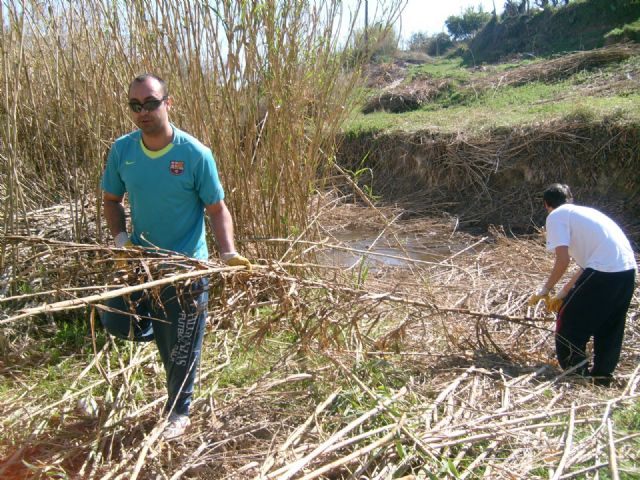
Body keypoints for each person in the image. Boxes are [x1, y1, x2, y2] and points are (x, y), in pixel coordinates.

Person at [100, 73, 251, 439]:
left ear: (168, 103)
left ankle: (178, 412)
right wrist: (121, 240)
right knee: (116, 319)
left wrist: (228, 252)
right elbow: (111, 201)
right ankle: (165, 332)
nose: (143, 112)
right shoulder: (123, 151)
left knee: (180, 349)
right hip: (142, 264)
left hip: (186, 268)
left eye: (150, 103)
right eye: (135, 106)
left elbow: (216, 208)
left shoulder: (195, 154)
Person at [529, 183, 636, 386]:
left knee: (568, 322)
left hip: (603, 273)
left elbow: (563, 261)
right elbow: (585, 266)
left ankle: (576, 375)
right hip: (627, 271)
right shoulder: (585, 213)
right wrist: (562, 294)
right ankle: (602, 378)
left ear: (546, 204)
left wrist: (545, 290)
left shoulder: (556, 215)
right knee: (610, 327)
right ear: (570, 199)